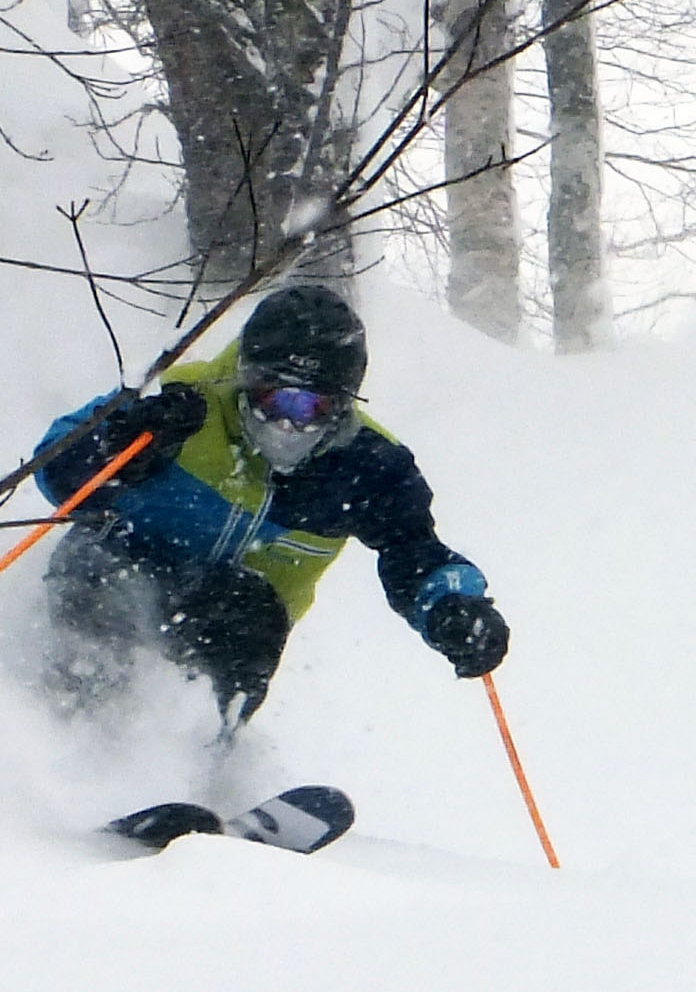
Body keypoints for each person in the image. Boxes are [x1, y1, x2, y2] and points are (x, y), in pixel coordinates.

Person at [32, 281, 509, 732]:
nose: (288, 424)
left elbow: (411, 547)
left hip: (230, 614)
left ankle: (192, 758)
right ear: (246, 378)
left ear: (342, 406)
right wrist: (119, 446)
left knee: (249, 612)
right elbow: (54, 465)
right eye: (274, 399)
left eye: (312, 409)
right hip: (122, 563)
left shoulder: (366, 465)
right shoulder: (182, 403)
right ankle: (67, 726)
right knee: (109, 578)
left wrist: (450, 605)